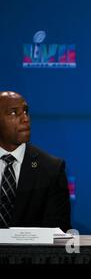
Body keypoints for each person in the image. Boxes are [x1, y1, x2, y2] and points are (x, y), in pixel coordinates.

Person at [0, 91, 71, 232]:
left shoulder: (51, 169)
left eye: (25, 111)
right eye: (14, 113)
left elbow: (58, 233)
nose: (25, 118)